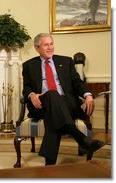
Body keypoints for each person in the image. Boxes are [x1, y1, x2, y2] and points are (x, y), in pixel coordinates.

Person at [22, 33, 104, 165]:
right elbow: (26, 87)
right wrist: (32, 95)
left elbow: (78, 83)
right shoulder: (29, 65)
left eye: (51, 44)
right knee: (52, 95)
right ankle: (82, 139)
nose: (50, 48)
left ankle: (49, 164)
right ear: (37, 48)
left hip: (66, 104)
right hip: (41, 104)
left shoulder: (66, 61)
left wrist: (88, 95)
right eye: (46, 45)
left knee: (53, 114)